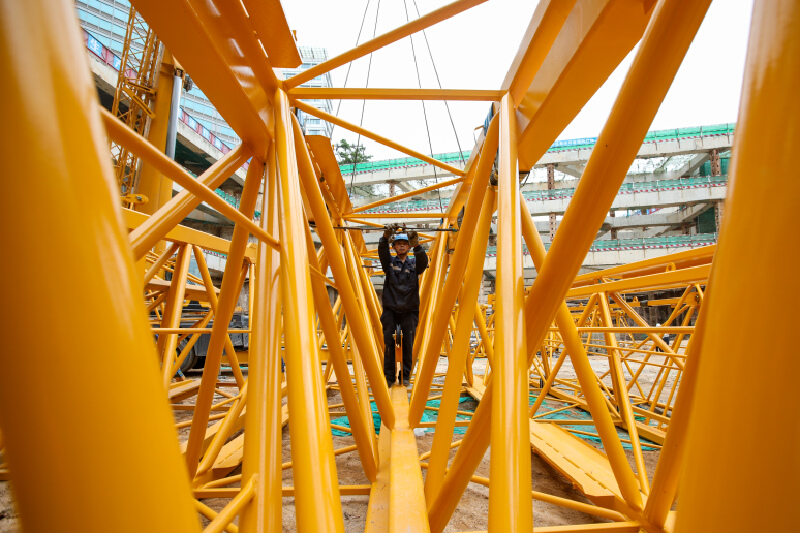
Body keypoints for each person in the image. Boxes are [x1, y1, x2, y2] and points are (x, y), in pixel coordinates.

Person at [378, 224, 428, 387]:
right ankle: (390, 377)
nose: (401, 246)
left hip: (409, 309)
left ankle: (404, 376)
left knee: (408, 343)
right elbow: (383, 253)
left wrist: (417, 246)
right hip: (391, 309)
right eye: (398, 243)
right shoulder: (389, 263)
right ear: (394, 247)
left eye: (404, 244)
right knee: (389, 343)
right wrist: (385, 238)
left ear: (408, 247)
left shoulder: (414, 264)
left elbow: (423, 263)